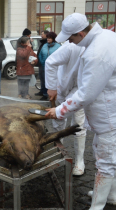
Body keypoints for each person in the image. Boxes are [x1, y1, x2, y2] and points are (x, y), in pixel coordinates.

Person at [45, 13, 116, 210]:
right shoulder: (106, 35)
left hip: (113, 113)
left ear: (80, 33)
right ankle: (110, 195)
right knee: (109, 155)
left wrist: (59, 110)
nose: (69, 42)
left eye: (70, 38)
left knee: (105, 159)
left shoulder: (97, 52)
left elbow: (86, 93)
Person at [45, 41, 87, 176]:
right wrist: (51, 87)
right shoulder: (70, 48)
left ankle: (80, 161)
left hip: (80, 93)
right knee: (57, 123)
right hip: (60, 89)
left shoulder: (93, 50)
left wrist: (68, 103)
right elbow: (50, 62)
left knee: (79, 125)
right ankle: (58, 153)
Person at [38, 32, 60, 100]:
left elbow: (61, 56)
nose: (48, 39)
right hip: (44, 66)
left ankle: (54, 95)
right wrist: (42, 62)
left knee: (53, 81)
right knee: (44, 81)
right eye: (47, 38)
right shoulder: (44, 45)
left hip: (54, 68)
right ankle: (45, 94)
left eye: (49, 38)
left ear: (53, 38)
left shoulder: (58, 46)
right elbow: (40, 54)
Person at [35, 30, 49, 97]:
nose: (41, 35)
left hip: (44, 64)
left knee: (44, 79)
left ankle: (45, 94)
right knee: (41, 79)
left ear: (46, 35)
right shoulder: (43, 43)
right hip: (41, 64)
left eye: (42, 34)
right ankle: (42, 91)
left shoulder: (46, 43)